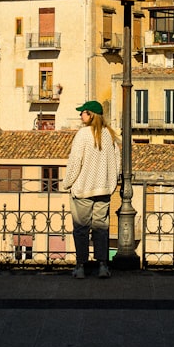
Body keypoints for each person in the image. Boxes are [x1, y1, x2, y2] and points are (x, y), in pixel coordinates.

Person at [61, 100, 120, 279]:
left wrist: (67, 183)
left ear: (91, 115)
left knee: (81, 229)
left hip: (83, 190)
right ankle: (103, 265)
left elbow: (74, 162)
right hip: (103, 190)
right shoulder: (109, 135)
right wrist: (111, 183)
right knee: (101, 229)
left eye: (83, 112)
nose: (80, 115)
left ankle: (80, 267)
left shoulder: (82, 135)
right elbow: (117, 161)